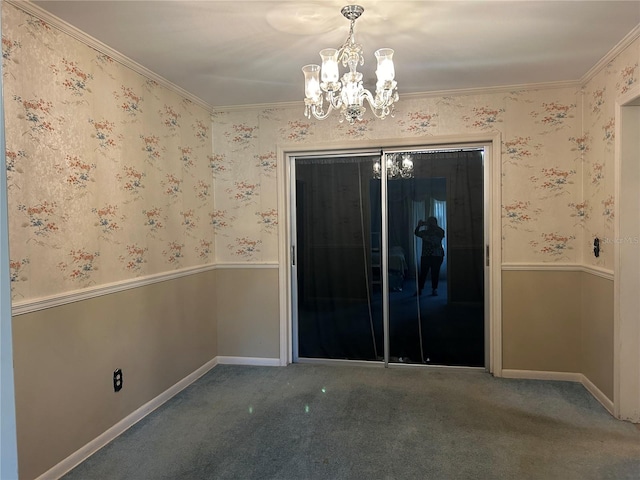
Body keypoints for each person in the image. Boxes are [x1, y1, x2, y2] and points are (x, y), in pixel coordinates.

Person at [414, 216, 445, 296]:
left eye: (432, 222)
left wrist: (434, 226)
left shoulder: (439, 231)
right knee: (423, 273)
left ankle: (434, 289)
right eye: (430, 222)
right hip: (426, 255)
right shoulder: (425, 232)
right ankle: (420, 289)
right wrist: (419, 225)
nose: (431, 225)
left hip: (437, 255)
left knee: (435, 272)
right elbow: (416, 233)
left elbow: (442, 232)